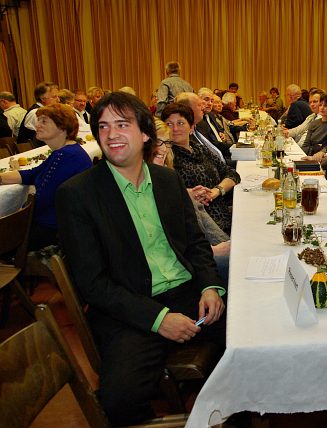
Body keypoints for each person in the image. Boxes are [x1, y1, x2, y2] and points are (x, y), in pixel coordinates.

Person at [56, 92, 226, 426]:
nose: (111, 134)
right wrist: (159, 318)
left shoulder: (167, 180)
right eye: (103, 126)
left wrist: (210, 287)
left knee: (252, 345)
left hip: (189, 293)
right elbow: (93, 284)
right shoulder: (77, 195)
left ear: (146, 133)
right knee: (118, 401)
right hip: (129, 307)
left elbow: (195, 244)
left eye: (122, 124)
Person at [148, 119, 230, 282]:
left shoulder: (168, 173)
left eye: (167, 143)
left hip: (201, 247)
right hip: (182, 261)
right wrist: (213, 251)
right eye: (158, 142)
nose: (163, 149)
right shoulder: (144, 183)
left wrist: (223, 244)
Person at [1, 103, 92, 250]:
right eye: (38, 120)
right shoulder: (65, 151)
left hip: (53, 231)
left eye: (44, 121)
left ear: (62, 127)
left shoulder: (66, 156)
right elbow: (31, 174)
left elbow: (43, 200)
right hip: (56, 225)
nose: (38, 125)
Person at [161, 102, 240, 234]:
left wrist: (217, 191)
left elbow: (232, 173)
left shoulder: (200, 149)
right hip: (200, 227)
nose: (174, 128)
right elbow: (166, 194)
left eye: (180, 123)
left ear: (191, 128)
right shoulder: (166, 157)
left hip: (225, 216)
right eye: (169, 124)